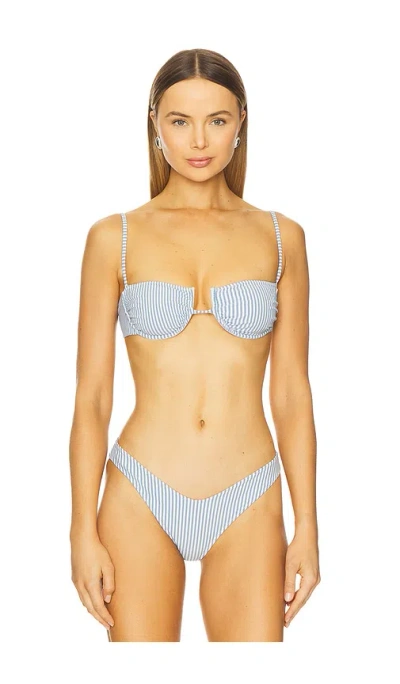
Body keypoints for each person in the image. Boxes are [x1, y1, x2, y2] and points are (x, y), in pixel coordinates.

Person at [69, 48, 320, 642]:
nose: (199, 140)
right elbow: (93, 397)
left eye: (218, 120)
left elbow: (291, 393)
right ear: (155, 123)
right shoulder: (114, 237)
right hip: (140, 489)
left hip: (249, 490)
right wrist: (81, 529)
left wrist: (307, 524)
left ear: (241, 122)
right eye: (180, 121)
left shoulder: (281, 237)